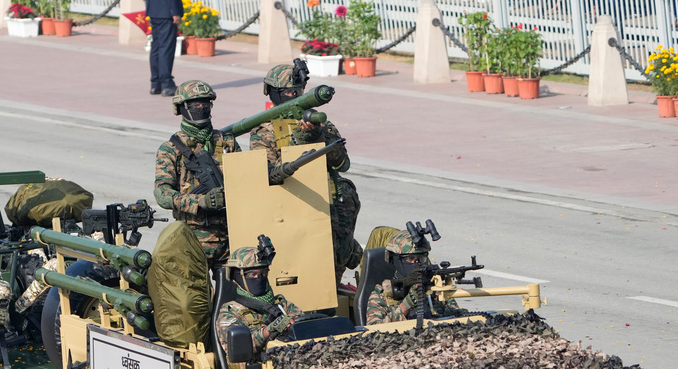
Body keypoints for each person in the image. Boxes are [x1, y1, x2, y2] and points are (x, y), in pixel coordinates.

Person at [249, 60, 363, 286]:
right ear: (274, 94)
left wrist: (318, 136)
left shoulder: (322, 124)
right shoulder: (264, 132)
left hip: (331, 205)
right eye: (288, 92)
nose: (295, 95)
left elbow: (342, 163)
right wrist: (299, 142)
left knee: (335, 266)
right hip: (294, 207)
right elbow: (269, 176)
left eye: (298, 91)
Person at [215, 237, 302, 369]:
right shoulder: (229, 313)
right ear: (238, 277)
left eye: (263, 273)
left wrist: (296, 324)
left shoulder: (281, 304)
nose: (260, 278)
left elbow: (302, 322)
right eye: (253, 274)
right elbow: (241, 346)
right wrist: (268, 330)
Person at [154, 80, 240, 268]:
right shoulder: (170, 149)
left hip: (230, 236)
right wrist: (200, 202)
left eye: (205, 103)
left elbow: (246, 178)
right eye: (195, 104)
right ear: (181, 108)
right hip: (192, 240)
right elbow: (162, 195)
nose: (201, 107)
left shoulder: (227, 143)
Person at [363, 230, 461, 325]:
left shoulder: (436, 289)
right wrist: (406, 305)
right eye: (410, 259)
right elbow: (374, 330)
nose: (416, 263)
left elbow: (458, 318)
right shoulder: (381, 295)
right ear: (395, 260)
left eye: (420, 259)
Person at [145, 0, 183, 96]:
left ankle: (155, 83)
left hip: (155, 8)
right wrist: (175, 11)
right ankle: (166, 83)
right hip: (165, 10)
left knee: (156, 46)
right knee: (165, 47)